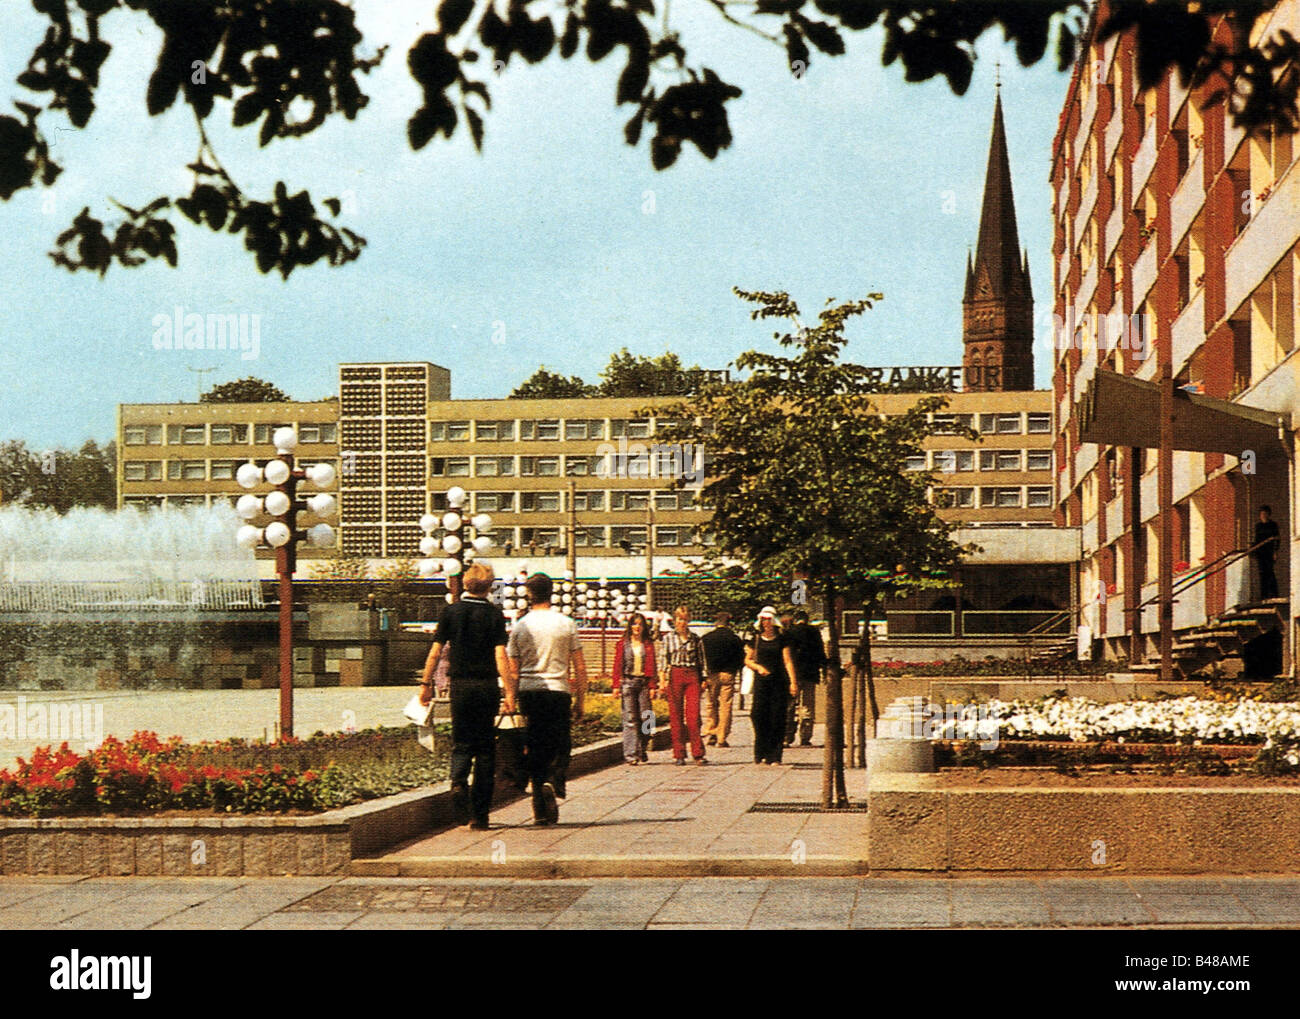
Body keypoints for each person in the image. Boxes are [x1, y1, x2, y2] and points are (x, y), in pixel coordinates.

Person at [420, 562, 515, 831]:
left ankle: (458, 781)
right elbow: (500, 656)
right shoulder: (494, 615)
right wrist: (509, 692)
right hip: (485, 686)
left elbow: (436, 652)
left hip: (460, 686)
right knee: (485, 749)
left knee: (461, 742)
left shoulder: (451, 611)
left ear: (465, 584)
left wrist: (426, 684)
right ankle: (480, 816)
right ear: (489, 586)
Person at [507, 572, 588, 826]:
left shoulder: (521, 626)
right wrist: (581, 700)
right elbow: (580, 667)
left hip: (530, 693)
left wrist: (511, 696)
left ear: (528, 594)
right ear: (552, 592)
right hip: (558, 691)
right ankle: (553, 780)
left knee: (535, 747)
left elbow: (513, 669)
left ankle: (540, 811)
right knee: (561, 744)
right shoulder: (566, 623)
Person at [745, 606, 798, 765]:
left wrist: (793, 682)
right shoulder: (755, 639)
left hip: (778, 682)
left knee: (777, 717)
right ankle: (760, 751)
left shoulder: (782, 640)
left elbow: (787, 661)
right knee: (758, 715)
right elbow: (747, 659)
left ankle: (774, 755)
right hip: (761, 683)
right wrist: (758, 667)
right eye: (763, 619)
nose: (766, 622)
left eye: (769, 619)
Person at [659, 604, 708, 765]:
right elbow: (663, 661)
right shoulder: (668, 639)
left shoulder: (695, 639)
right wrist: (663, 680)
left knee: (693, 716)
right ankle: (679, 753)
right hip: (675, 675)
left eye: (685, 619)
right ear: (674, 620)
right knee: (676, 716)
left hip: (692, 675)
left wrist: (704, 679)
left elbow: (702, 661)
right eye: (679, 619)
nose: (682, 622)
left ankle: (698, 752)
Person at [611, 612, 657, 765]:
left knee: (647, 717)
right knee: (630, 719)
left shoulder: (648, 645)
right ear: (630, 626)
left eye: (640, 624)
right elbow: (617, 665)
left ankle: (642, 748)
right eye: (634, 624)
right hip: (628, 682)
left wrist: (653, 685)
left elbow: (652, 665)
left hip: (644, 683)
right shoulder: (623, 644)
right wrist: (616, 685)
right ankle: (631, 754)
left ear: (644, 627)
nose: (637, 627)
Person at [783, 609, 827, 747]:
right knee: (808, 705)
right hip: (810, 673)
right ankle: (805, 737)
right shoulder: (814, 633)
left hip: (793, 674)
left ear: (795, 620)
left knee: (789, 705)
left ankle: (787, 736)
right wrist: (824, 669)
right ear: (807, 620)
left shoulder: (789, 633)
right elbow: (820, 652)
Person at [700, 611, 745, 748]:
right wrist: (736, 669)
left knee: (712, 704)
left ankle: (712, 731)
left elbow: (702, 658)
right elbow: (741, 658)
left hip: (712, 674)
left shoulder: (707, 638)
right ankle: (722, 737)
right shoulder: (735, 639)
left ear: (716, 622)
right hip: (728, 674)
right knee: (726, 706)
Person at [1254, 504, 1282, 600]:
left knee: (1270, 572)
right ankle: (1264, 595)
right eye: (1261, 514)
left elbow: (1277, 539)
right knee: (1262, 573)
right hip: (1261, 552)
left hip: (1269, 552)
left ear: (1268, 514)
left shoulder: (1273, 525)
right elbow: (1257, 539)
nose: (1263, 515)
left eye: (1265, 513)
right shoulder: (1258, 526)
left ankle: (1274, 593)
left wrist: (1275, 552)